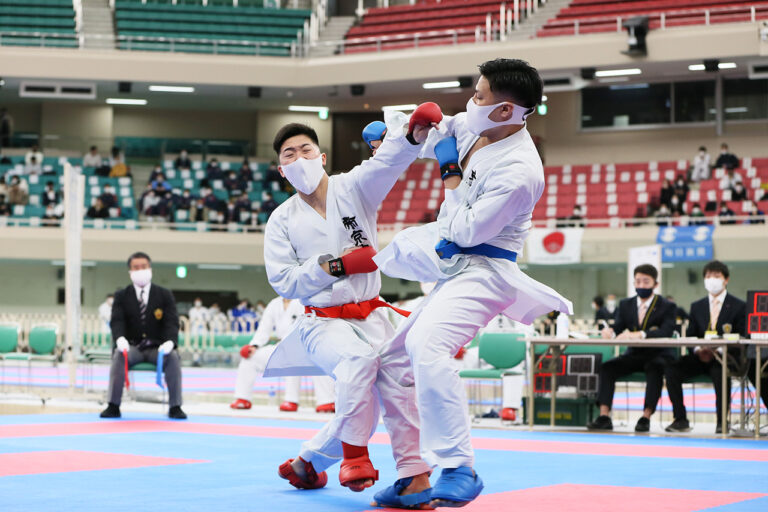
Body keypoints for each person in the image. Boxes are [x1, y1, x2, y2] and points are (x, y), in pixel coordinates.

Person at [374, 58, 572, 507]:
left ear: (506, 110)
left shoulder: (521, 171)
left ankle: (459, 464)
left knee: (427, 345)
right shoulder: (479, 122)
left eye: (480, 96)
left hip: (485, 271)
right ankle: (411, 475)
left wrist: (451, 175)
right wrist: (400, 133)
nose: (471, 101)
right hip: (453, 267)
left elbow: (465, 232)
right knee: (388, 364)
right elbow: (442, 131)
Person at [263, 113, 439, 506]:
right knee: (357, 364)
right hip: (322, 321)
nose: (299, 159)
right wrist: (335, 266)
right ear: (281, 170)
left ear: (322, 157)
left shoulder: (355, 188)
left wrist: (410, 137)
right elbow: (284, 282)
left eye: (305, 150)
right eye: (289, 155)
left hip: (373, 312)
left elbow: (386, 164)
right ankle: (354, 456)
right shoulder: (281, 220)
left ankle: (318, 464)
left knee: (395, 389)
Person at [587, 264, 676, 432]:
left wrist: (641, 334)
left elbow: (666, 331)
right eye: (638, 281)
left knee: (655, 368)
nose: (641, 286)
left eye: (646, 282)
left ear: (655, 284)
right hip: (634, 354)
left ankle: (646, 416)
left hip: (658, 354)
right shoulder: (626, 304)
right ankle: (604, 415)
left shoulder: (666, 306)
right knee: (607, 368)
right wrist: (610, 332)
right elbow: (619, 327)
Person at [100, 252, 186, 419]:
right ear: (130, 271)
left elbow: (171, 322)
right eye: (136, 267)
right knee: (119, 356)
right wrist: (120, 339)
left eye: (143, 267)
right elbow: (117, 321)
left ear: (150, 269)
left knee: (173, 358)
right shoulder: (122, 296)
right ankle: (113, 405)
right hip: (133, 347)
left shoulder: (164, 294)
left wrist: (170, 342)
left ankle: (176, 406)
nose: (140, 270)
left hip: (157, 348)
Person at [664, 260, 745, 434]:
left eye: (716, 276)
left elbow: (742, 336)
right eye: (708, 276)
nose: (712, 280)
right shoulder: (697, 306)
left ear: (726, 279)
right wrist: (698, 349)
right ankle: (680, 419)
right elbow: (692, 333)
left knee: (720, 372)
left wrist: (719, 349)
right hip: (700, 355)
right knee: (672, 370)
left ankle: (722, 421)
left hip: (725, 357)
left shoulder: (739, 306)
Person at [230, 297, 335, 413]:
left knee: (307, 357)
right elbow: (263, 329)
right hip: (282, 346)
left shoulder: (305, 300)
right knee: (250, 359)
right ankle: (243, 398)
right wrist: (254, 346)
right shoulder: (274, 304)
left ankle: (323, 401)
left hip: (307, 346)